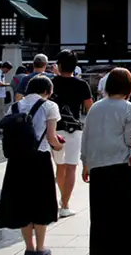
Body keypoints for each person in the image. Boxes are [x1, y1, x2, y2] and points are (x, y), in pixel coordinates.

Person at [81, 68, 131, 255]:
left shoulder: (95, 107)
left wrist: (86, 163)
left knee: (100, 219)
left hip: (98, 169)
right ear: (129, 87)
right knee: (125, 220)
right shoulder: (129, 108)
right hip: (121, 169)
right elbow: (130, 140)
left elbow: (87, 137)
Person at [0, 75, 63, 254]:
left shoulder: (14, 107)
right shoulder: (49, 106)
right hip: (39, 159)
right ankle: (41, 248)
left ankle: (29, 248)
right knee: (41, 202)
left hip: (17, 161)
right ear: (48, 91)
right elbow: (51, 137)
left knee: (22, 203)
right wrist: (59, 145)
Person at [51, 49, 93, 218]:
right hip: (74, 128)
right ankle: (65, 203)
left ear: (59, 65)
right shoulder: (82, 84)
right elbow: (91, 107)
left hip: (55, 128)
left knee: (59, 166)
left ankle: (61, 199)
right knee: (71, 167)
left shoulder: (51, 83)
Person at [0, 61, 13, 133]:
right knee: (0, 112)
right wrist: (9, 84)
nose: (7, 71)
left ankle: (1, 128)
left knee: (0, 112)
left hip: (0, 95)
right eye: (8, 70)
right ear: (5, 68)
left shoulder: (1, 74)